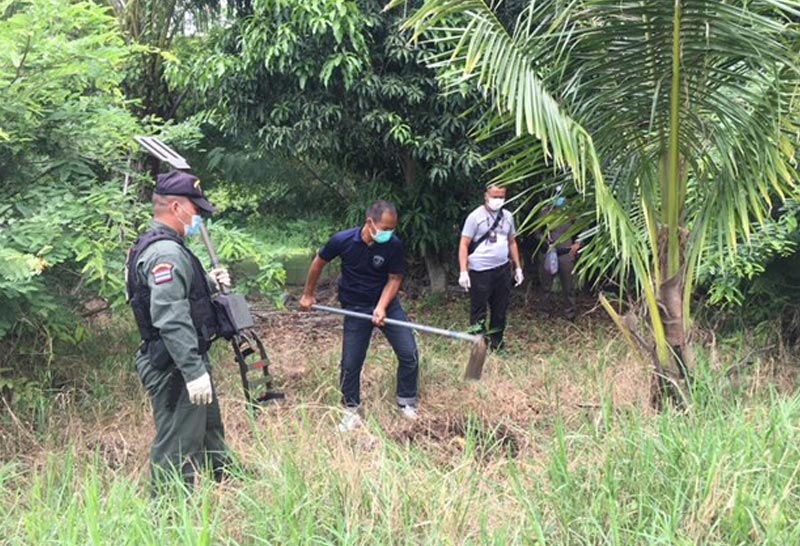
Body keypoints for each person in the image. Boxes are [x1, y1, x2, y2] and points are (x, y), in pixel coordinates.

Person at [125, 170, 232, 492]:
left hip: (185, 356)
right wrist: (192, 370)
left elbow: (169, 293)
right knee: (178, 439)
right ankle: (170, 510)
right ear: (175, 208)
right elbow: (170, 317)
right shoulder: (166, 253)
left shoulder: (165, 246)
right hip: (173, 362)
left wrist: (210, 282)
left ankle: (228, 479)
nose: (198, 217)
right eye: (196, 210)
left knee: (209, 425)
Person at [299, 200, 419, 432]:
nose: (388, 233)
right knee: (351, 362)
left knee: (409, 353)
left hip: (387, 305)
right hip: (354, 306)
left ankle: (407, 403)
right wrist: (308, 294)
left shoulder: (393, 245)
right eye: (384, 228)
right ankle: (351, 410)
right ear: (369, 222)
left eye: (392, 228)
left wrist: (382, 307)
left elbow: (394, 278)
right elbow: (318, 263)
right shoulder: (342, 240)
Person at [458, 185, 524, 351]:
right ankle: (478, 346)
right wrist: (463, 271)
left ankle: (497, 344)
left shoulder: (507, 216)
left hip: (501, 269)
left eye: (501, 196)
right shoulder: (475, 217)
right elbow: (464, 244)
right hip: (480, 271)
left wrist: (518, 267)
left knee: (500, 310)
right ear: (486, 195)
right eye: (495, 195)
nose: (498, 200)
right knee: (479, 311)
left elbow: (512, 241)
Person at [537, 195, 580, 320]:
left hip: (566, 254)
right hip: (549, 253)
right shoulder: (545, 211)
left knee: (569, 286)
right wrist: (545, 241)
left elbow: (582, 230)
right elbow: (536, 232)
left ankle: (569, 314)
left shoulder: (572, 211)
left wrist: (578, 244)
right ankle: (544, 312)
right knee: (546, 286)